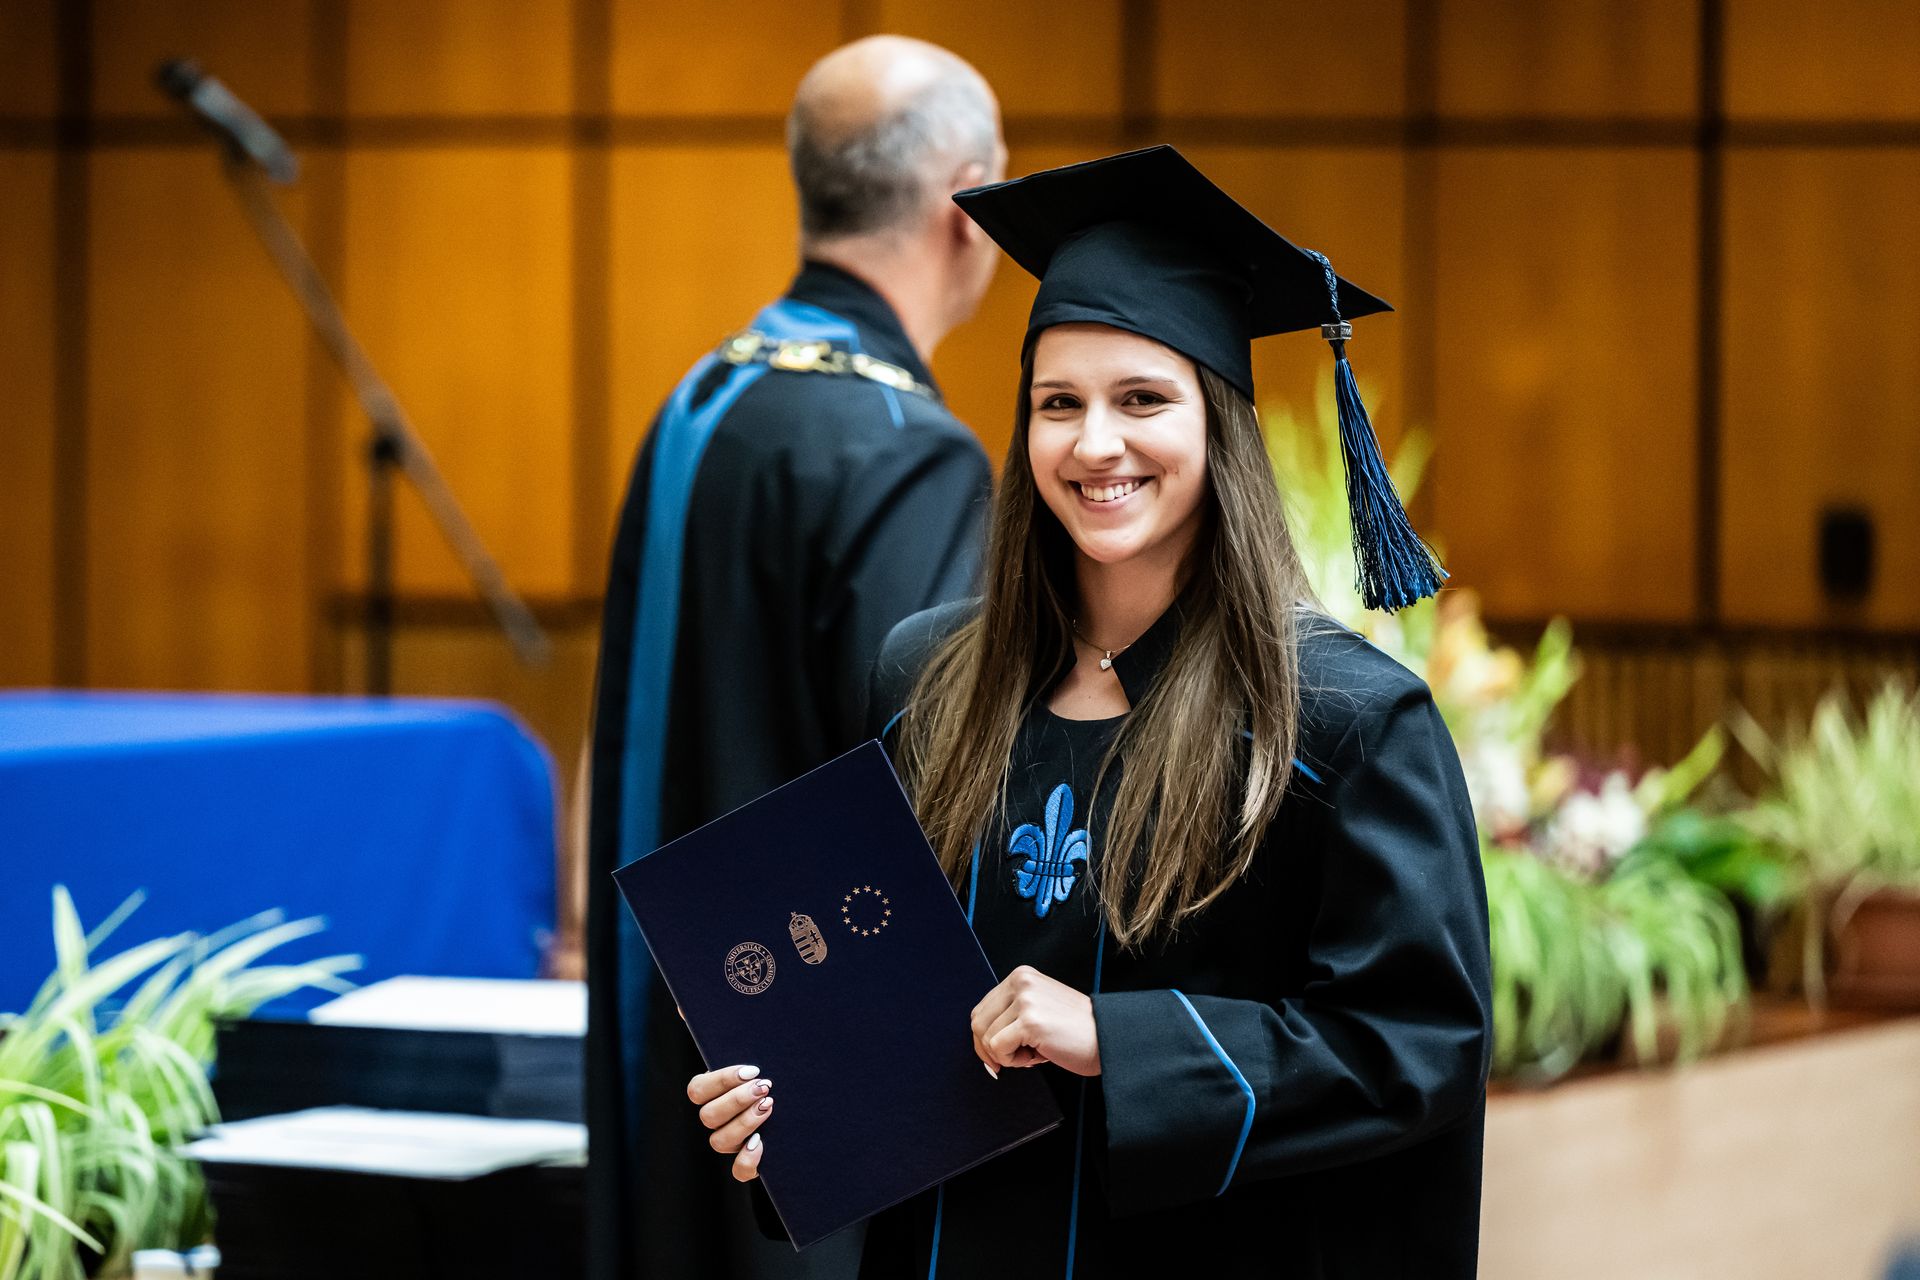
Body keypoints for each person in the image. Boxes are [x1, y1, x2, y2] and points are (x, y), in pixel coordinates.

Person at [686, 146, 1491, 1277]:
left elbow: (1415, 1045)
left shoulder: (1344, 724)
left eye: (1142, 399)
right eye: (1057, 403)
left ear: (1218, 425)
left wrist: (1122, 1039)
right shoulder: (929, 682)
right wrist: (789, 1107)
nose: (1094, 442)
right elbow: (878, 998)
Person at [585, 36, 1007, 1280]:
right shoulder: (900, 443)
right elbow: (932, 791)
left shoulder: (701, 396)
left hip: (663, 1027)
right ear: (966, 201)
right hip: (805, 1089)